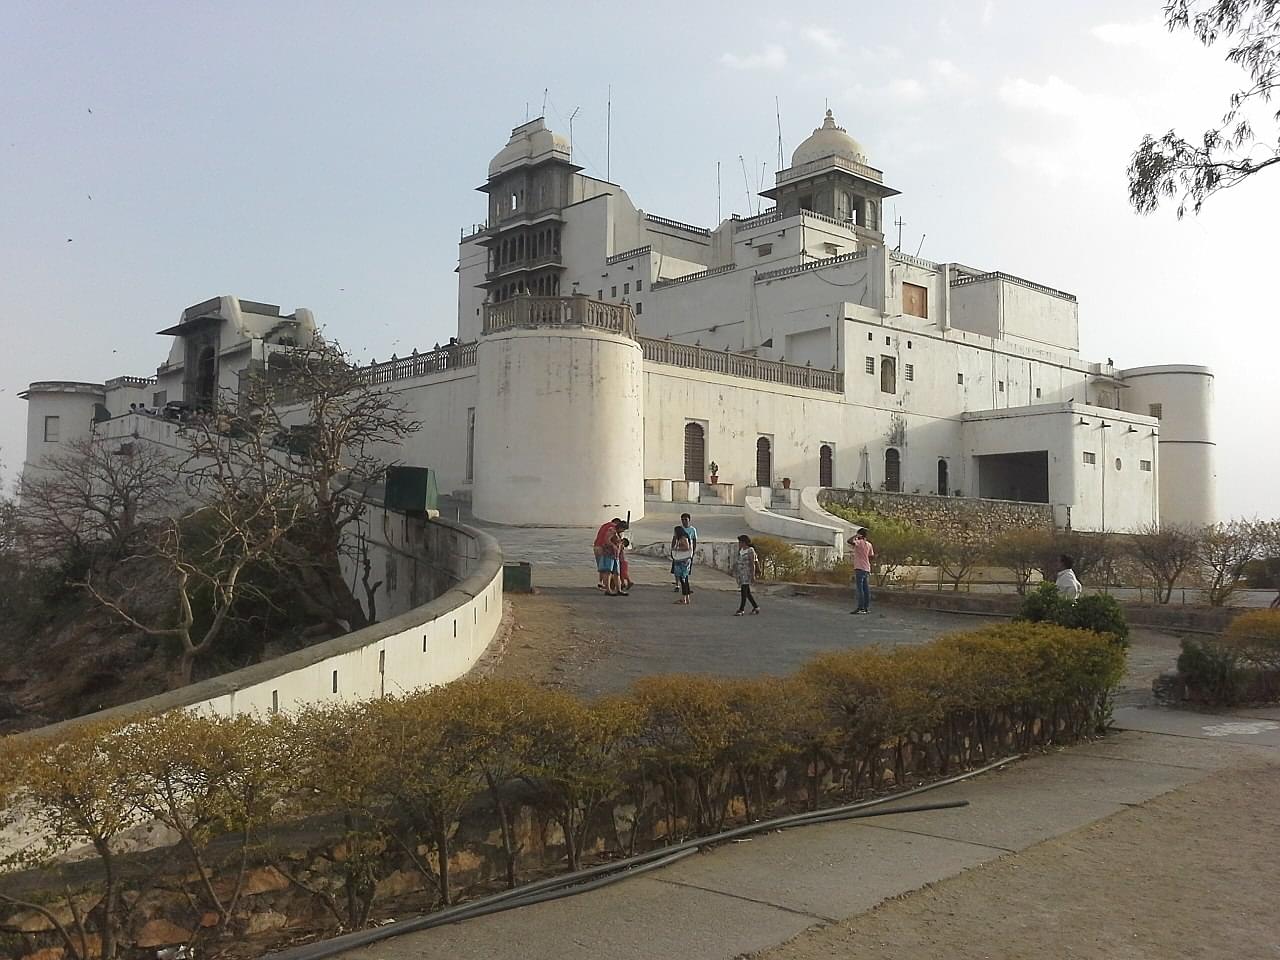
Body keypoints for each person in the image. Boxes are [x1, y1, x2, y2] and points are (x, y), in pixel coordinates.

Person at [848, 527, 875, 614]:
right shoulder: (869, 544)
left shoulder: (859, 543)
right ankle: (866, 608)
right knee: (866, 589)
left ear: (860, 534)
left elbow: (849, 541)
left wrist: (856, 536)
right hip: (866, 568)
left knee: (860, 589)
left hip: (859, 567)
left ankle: (860, 607)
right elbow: (871, 556)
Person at [734, 535, 762, 615]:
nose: (739, 544)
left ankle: (741, 609)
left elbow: (752, 563)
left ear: (744, 542)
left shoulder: (750, 550)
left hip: (747, 573)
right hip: (741, 573)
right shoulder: (741, 550)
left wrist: (753, 575)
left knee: (744, 591)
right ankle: (756, 607)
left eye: (740, 542)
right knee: (747, 592)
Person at [594, 517, 624, 591]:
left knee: (602, 567)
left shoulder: (604, 525)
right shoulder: (613, 528)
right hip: (604, 549)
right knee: (607, 569)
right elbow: (608, 540)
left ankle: (601, 583)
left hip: (596, 546)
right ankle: (607, 586)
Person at [671, 512, 698, 590]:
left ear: (689, 520)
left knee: (685, 570)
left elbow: (694, 541)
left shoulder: (692, 530)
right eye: (682, 520)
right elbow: (674, 539)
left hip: (687, 552)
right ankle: (677, 584)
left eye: (685, 519)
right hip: (678, 552)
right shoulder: (678, 529)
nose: (684, 521)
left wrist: (693, 552)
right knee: (676, 569)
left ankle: (684, 585)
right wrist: (672, 549)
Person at [672, 526, 694, 604]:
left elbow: (686, 547)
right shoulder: (683, 538)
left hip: (683, 562)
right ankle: (687, 598)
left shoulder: (683, 539)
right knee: (685, 579)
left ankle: (684, 598)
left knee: (683, 580)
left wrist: (677, 549)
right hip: (685, 561)